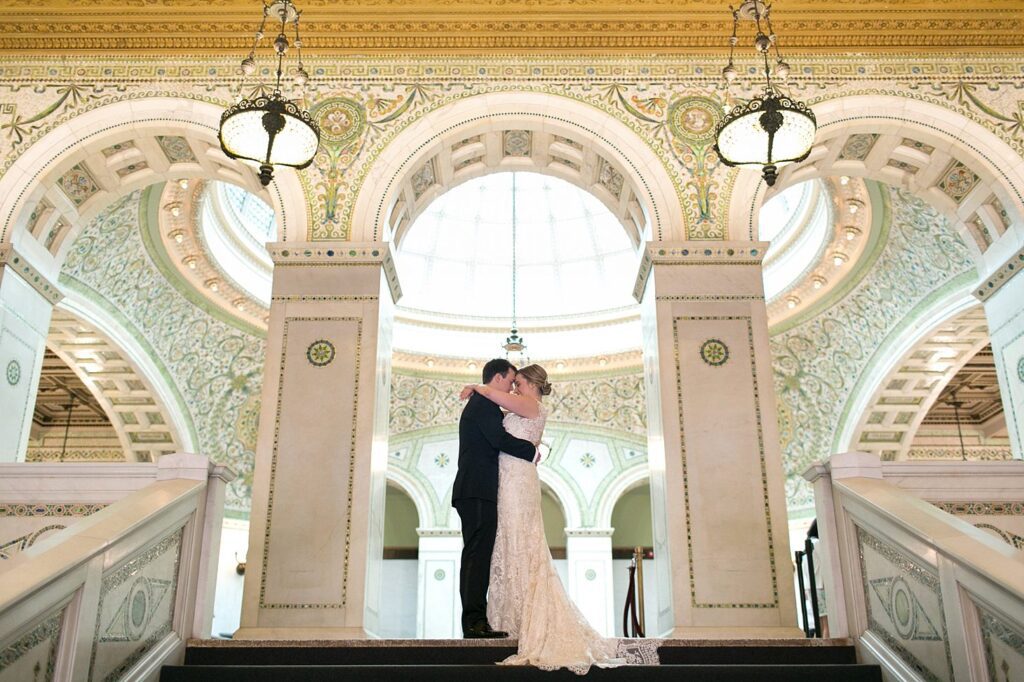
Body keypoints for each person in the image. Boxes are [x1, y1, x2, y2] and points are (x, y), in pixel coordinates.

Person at [460, 364, 658, 674]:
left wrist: (477, 386)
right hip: (505, 481)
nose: (513, 388)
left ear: (531, 384)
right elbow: (497, 428)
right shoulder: (503, 402)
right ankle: (509, 617)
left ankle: (527, 621)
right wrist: (482, 391)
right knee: (508, 546)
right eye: (511, 382)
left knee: (522, 543)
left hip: (517, 483)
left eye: (518, 382)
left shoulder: (531, 404)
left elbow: (495, 407)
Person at [452, 358, 538, 639]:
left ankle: (478, 621)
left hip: (481, 490)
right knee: (476, 556)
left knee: (479, 555)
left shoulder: (486, 403)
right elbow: (499, 440)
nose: (513, 387)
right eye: (512, 381)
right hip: (476, 490)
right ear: (499, 378)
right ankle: (474, 623)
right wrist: (533, 452)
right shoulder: (483, 405)